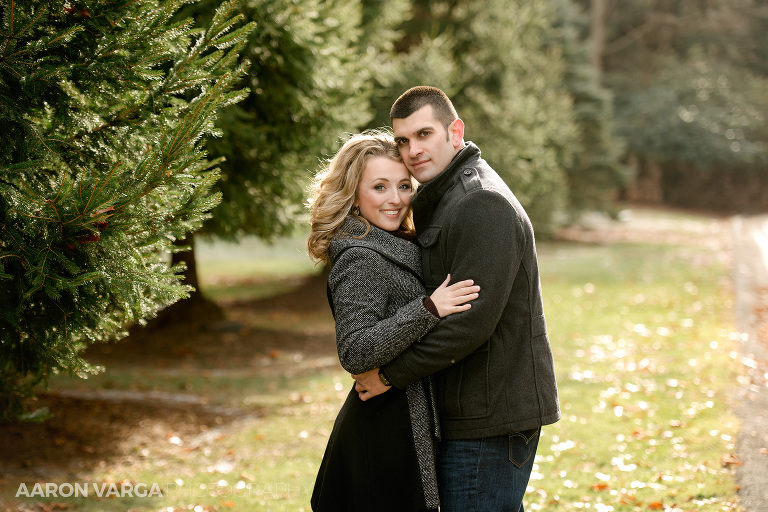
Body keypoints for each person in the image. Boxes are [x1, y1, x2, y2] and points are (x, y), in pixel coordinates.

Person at [352, 86, 561, 512]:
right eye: (404, 140)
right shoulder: (447, 197)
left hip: (488, 419)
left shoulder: (479, 201)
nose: (413, 150)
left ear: (455, 131)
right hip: (469, 411)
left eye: (424, 134)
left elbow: (470, 322)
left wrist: (389, 375)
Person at [306, 131, 480, 512]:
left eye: (404, 185)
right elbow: (355, 351)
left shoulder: (397, 241)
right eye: (380, 187)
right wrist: (428, 309)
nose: (396, 199)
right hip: (383, 433)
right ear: (353, 194)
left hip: (403, 418)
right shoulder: (360, 257)